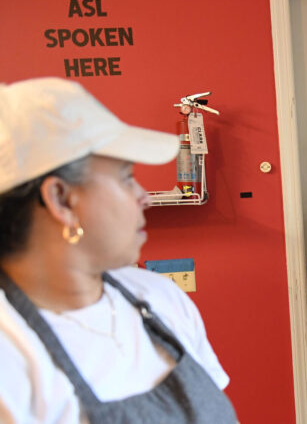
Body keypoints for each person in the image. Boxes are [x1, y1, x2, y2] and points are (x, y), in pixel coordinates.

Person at [0, 78, 237, 423]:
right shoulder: (11, 354)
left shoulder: (161, 299)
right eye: (127, 177)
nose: (142, 196)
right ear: (61, 199)